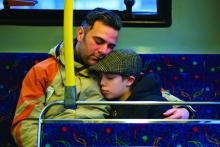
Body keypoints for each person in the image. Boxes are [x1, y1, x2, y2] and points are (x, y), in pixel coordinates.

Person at [11, 8, 193, 147]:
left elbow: (151, 91)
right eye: (98, 42)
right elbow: (24, 124)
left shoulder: (113, 69)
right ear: (80, 33)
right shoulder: (43, 71)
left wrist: (185, 110)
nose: (103, 51)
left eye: (110, 46)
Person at [90, 49, 172, 118]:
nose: (101, 83)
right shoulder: (105, 102)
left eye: (110, 78)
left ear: (129, 80)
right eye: (100, 77)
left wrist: (184, 109)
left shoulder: (154, 105)